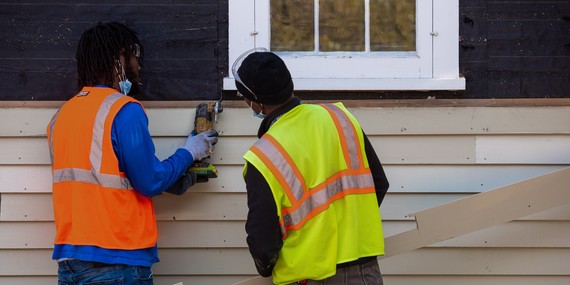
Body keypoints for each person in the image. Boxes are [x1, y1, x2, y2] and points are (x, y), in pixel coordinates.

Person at [46, 21, 218, 284]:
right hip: (116, 261)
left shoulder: (62, 116)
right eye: (135, 56)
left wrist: (176, 178)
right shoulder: (124, 109)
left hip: (71, 262)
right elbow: (149, 181)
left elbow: (107, 178)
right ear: (118, 60)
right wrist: (190, 152)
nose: (139, 65)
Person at [233, 49, 390, 285]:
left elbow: (263, 242)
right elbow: (379, 183)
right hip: (363, 269)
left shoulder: (263, 156)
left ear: (255, 103)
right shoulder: (340, 118)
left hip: (311, 276)